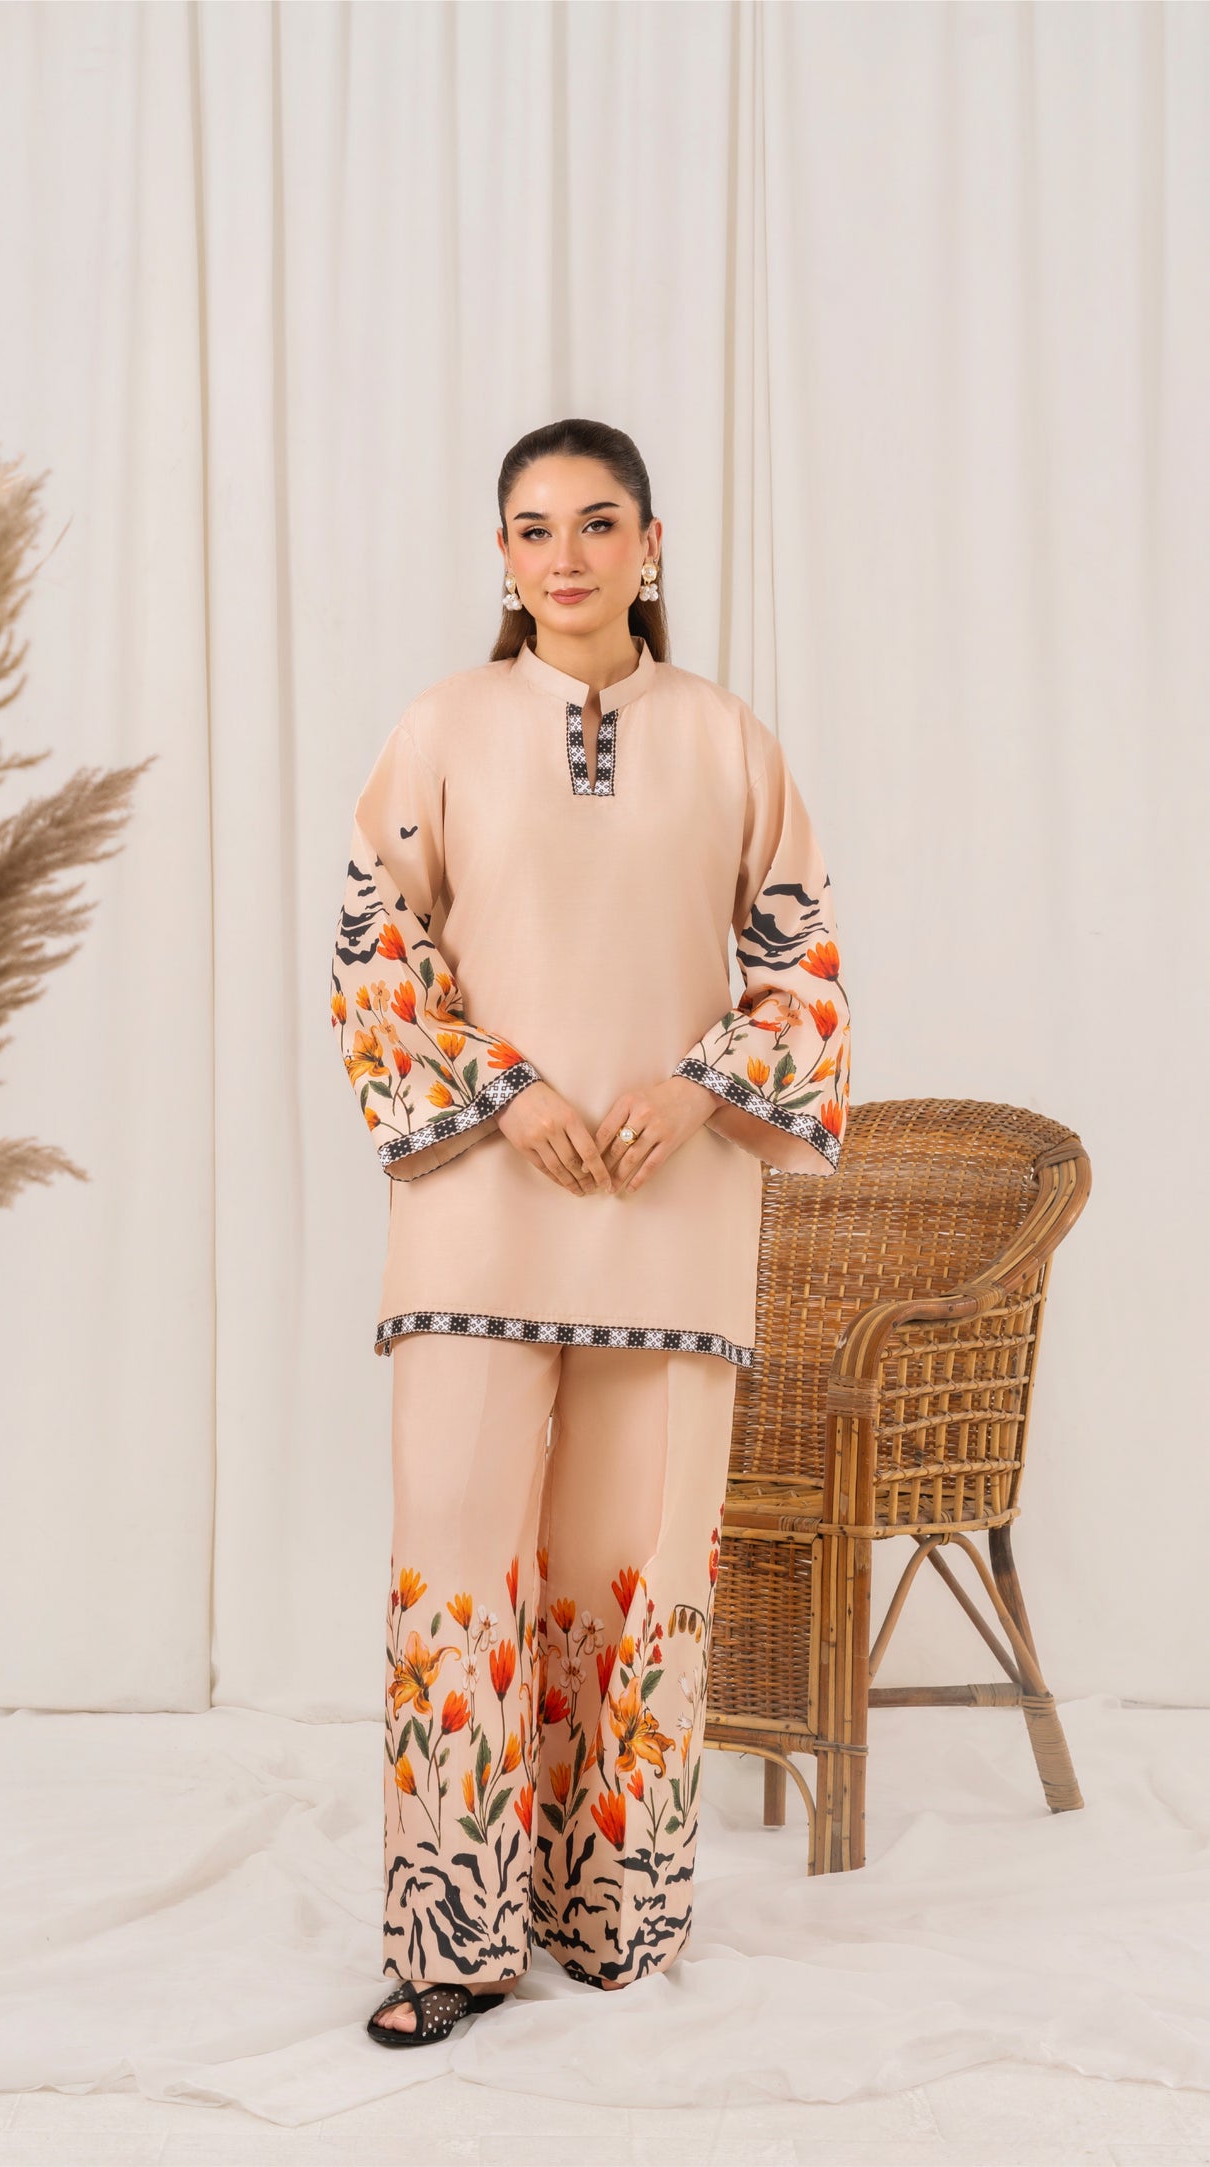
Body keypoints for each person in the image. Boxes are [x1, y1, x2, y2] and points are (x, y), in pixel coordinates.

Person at [329, 417, 851, 2047]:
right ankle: (449, 1940)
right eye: (534, 528)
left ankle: (615, 1915)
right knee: (455, 1562)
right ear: (501, 556)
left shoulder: (725, 739)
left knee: (637, 1570)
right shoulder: (440, 728)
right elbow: (374, 950)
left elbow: (801, 964)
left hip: (669, 1215)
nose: (565, 555)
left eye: (597, 521)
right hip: (477, 1207)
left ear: (649, 544)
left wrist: (700, 1089)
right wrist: (500, 1094)